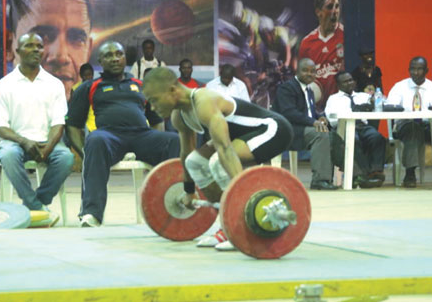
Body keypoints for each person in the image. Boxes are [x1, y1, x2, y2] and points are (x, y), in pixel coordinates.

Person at [142, 67, 294, 251]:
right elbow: (186, 155)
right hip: (239, 139)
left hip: (273, 129)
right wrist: (189, 192)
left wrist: (244, 196)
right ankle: (227, 224)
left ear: (173, 90)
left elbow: (225, 149)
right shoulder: (179, 116)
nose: (152, 107)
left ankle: (240, 225)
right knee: (195, 163)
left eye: (154, 100)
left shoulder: (204, 102)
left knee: (217, 161)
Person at [66, 41, 179, 227]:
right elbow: (72, 125)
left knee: (174, 141)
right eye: (108, 56)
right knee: (95, 140)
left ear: (125, 58)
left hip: (141, 136)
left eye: (118, 54)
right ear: (100, 61)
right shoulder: (90, 87)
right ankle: (91, 213)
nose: (114, 59)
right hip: (110, 137)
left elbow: (157, 120)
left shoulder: (140, 85)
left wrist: (155, 144)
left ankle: (171, 206)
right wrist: (85, 153)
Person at [0, 33, 74, 225]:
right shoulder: (4, 85)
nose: (36, 50)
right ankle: (37, 208)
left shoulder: (54, 84)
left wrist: (48, 147)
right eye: (29, 45)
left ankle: (34, 204)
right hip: (15, 143)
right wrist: (25, 142)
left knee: (66, 158)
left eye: (39, 46)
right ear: (17, 51)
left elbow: (58, 124)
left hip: (47, 142)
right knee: (8, 155)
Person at [9, 0, 93, 101]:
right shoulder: (5, 89)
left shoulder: (97, 97)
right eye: (43, 36)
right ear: (10, 46)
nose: (61, 57)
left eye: (76, 39)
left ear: (88, 50)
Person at [272, 58, 337, 190]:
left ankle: (354, 175)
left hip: (303, 129)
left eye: (313, 71)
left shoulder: (309, 90)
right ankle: (319, 180)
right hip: (288, 131)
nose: (309, 74)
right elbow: (289, 113)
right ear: (297, 71)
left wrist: (321, 118)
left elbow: (309, 112)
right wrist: (313, 122)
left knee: (334, 134)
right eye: (305, 71)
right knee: (320, 133)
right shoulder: (287, 88)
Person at [325, 71, 386, 187]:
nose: (349, 83)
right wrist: (352, 111)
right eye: (345, 81)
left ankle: (376, 172)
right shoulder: (333, 99)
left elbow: (382, 104)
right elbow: (331, 120)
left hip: (363, 126)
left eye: (350, 80)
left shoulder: (363, 96)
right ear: (338, 85)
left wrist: (375, 102)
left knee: (377, 137)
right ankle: (362, 175)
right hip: (345, 127)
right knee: (353, 140)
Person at [387, 56, 432, 188]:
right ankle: (410, 173)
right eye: (412, 69)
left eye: (419, 69)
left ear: (427, 70)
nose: (416, 73)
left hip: (428, 126)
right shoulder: (400, 87)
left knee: (419, 128)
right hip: (405, 126)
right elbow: (390, 107)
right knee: (413, 128)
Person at [298, 0, 344, 110]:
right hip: (317, 106)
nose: (335, 11)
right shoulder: (307, 43)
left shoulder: (346, 37)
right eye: (330, 7)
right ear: (319, 12)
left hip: (340, 104)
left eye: (337, 6)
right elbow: (301, 78)